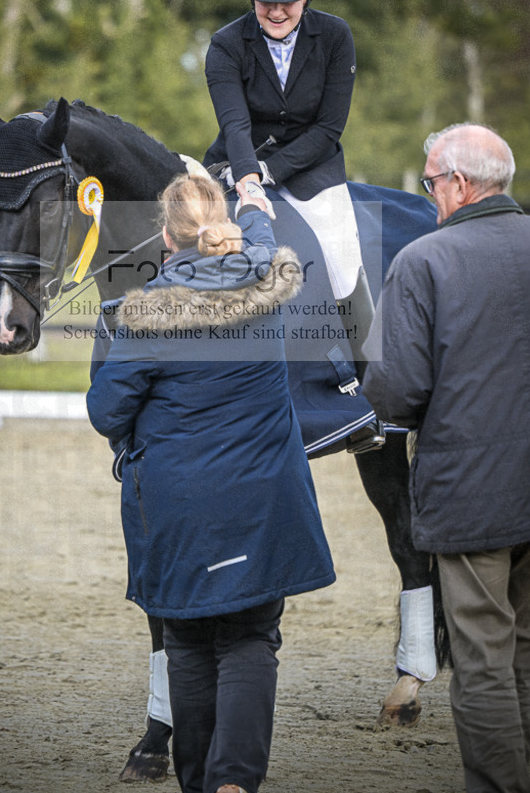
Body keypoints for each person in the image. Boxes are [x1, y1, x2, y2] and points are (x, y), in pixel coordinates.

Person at [86, 173, 336, 793]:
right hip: (264, 495)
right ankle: (235, 781)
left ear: (165, 238)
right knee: (252, 637)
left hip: (182, 505)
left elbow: (106, 413)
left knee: (188, 641)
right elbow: (255, 234)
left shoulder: (145, 312)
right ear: (223, 225)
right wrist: (252, 207)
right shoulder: (268, 279)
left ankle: (198, 781)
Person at [361, 123, 530, 793]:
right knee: (521, 653)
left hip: (472, 491)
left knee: (481, 663)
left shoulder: (421, 261)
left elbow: (393, 389)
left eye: (429, 183)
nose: (427, 196)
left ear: (459, 185)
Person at [202, 0, 374, 364]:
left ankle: (371, 368)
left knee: (339, 255)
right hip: (236, 161)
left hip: (312, 164)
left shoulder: (335, 37)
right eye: (264, 2)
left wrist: (269, 172)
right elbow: (235, 124)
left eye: (288, 2)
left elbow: (329, 127)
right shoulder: (226, 44)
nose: (276, 11)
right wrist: (248, 179)